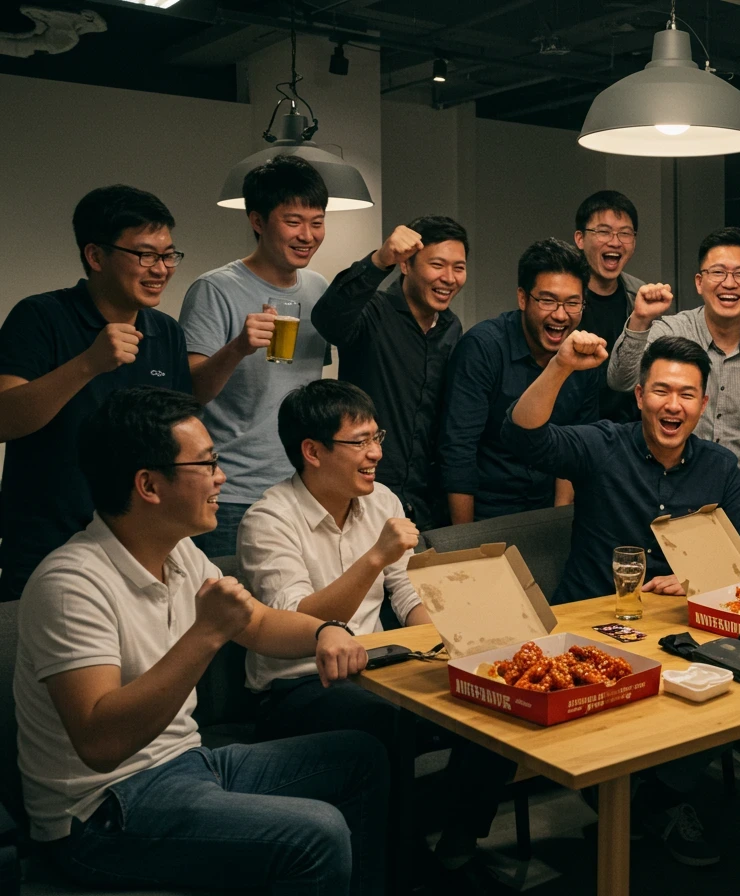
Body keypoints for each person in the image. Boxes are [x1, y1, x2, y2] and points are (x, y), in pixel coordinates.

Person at [14, 386, 386, 894]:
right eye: (207, 464)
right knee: (315, 834)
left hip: (186, 765)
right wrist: (206, 633)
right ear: (149, 484)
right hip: (100, 812)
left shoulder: (180, 554)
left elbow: (258, 623)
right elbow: (100, 742)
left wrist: (324, 631)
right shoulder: (70, 583)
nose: (221, 477)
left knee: (360, 756)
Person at [504, 331, 740, 864]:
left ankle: (652, 803)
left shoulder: (718, 466)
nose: (672, 405)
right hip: (593, 627)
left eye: (686, 394)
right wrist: (561, 366)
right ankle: (632, 804)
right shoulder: (604, 446)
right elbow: (522, 438)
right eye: (660, 391)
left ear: (703, 403)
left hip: (679, 627)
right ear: (639, 396)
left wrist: (701, 576)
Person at [238, 379, 513, 871]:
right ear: (312, 451)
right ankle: (402, 866)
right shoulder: (268, 519)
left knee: (496, 692)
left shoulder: (380, 499)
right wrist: (376, 556)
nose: (375, 454)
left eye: (377, 438)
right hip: (299, 686)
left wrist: (457, 644)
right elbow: (298, 619)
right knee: (388, 722)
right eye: (359, 442)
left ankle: (456, 845)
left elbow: (409, 594)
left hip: (378, 670)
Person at [0, 185, 192, 602]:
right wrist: (89, 363)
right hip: (50, 543)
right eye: (145, 255)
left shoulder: (166, 332)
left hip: (141, 548)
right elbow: (4, 419)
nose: (160, 268)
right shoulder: (40, 316)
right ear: (95, 256)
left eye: (168, 255)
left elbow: (175, 436)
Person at [607, 226, 740, 561]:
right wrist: (639, 320)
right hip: (674, 507)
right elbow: (621, 380)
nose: (729, 283)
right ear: (699, 282)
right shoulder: (671, 330)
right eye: (718, 272)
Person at [180, 155, 331, 557]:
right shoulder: (214, 289)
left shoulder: (318, 288)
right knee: (235, 613)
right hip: (233, 491)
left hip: (302, 487)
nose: (308, 235)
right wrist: (238, 348)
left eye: (317, 222)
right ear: (258, 221)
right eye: (293, 221)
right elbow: (190, 391)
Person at [312, 216, 466, 528]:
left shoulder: (452, 328)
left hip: (426, 502)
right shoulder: (373, 311)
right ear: (406, 265)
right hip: (365, 493)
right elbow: (327, 318)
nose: (449, 278)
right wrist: (380, 260)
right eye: (437, 265)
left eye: (459, 268)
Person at [439, 237, 600, 523]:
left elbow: (573, 451)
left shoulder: (582, 354)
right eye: (548, 300)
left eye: (573, 303)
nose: (561, 315)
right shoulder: (483, 347)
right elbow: (458, 451)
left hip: (546, 506)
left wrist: (558, 523)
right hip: (486, 508)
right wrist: (463, 541)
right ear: (523, 298)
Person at [574, 190, 647, 423]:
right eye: (603, 231)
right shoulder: (562, 296)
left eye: (625, 233)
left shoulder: (640, 296)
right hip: (571, 427)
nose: (615, 241)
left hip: (626, 432)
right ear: (579, 238)